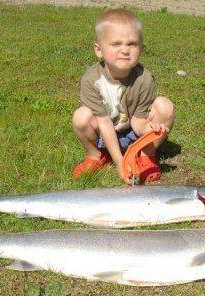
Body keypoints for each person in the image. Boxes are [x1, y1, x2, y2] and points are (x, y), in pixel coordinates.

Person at [72, 9, 174, 184]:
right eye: (116, 43)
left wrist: (150, 130)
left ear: (141, 49)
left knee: (165, 106)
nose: (125, 50)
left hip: (133, 133)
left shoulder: (144, 79)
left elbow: (138, 120)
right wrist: (120, 162)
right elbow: (103, 122)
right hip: (104, 134)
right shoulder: (91, 79)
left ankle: (145, 155)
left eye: (132, 44)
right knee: (81, 117)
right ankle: (96, 156)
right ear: (99, 50)